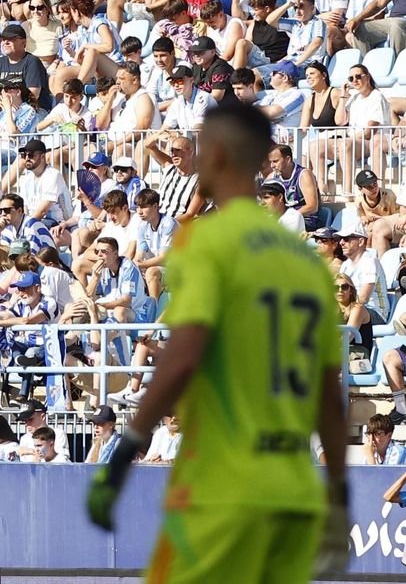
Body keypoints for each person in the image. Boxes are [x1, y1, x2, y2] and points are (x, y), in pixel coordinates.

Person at [86, 103, 349, 584]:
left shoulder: (208, 243)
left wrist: (124, 454)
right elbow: (329, 394)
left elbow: (183, 358)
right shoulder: (306, 264)